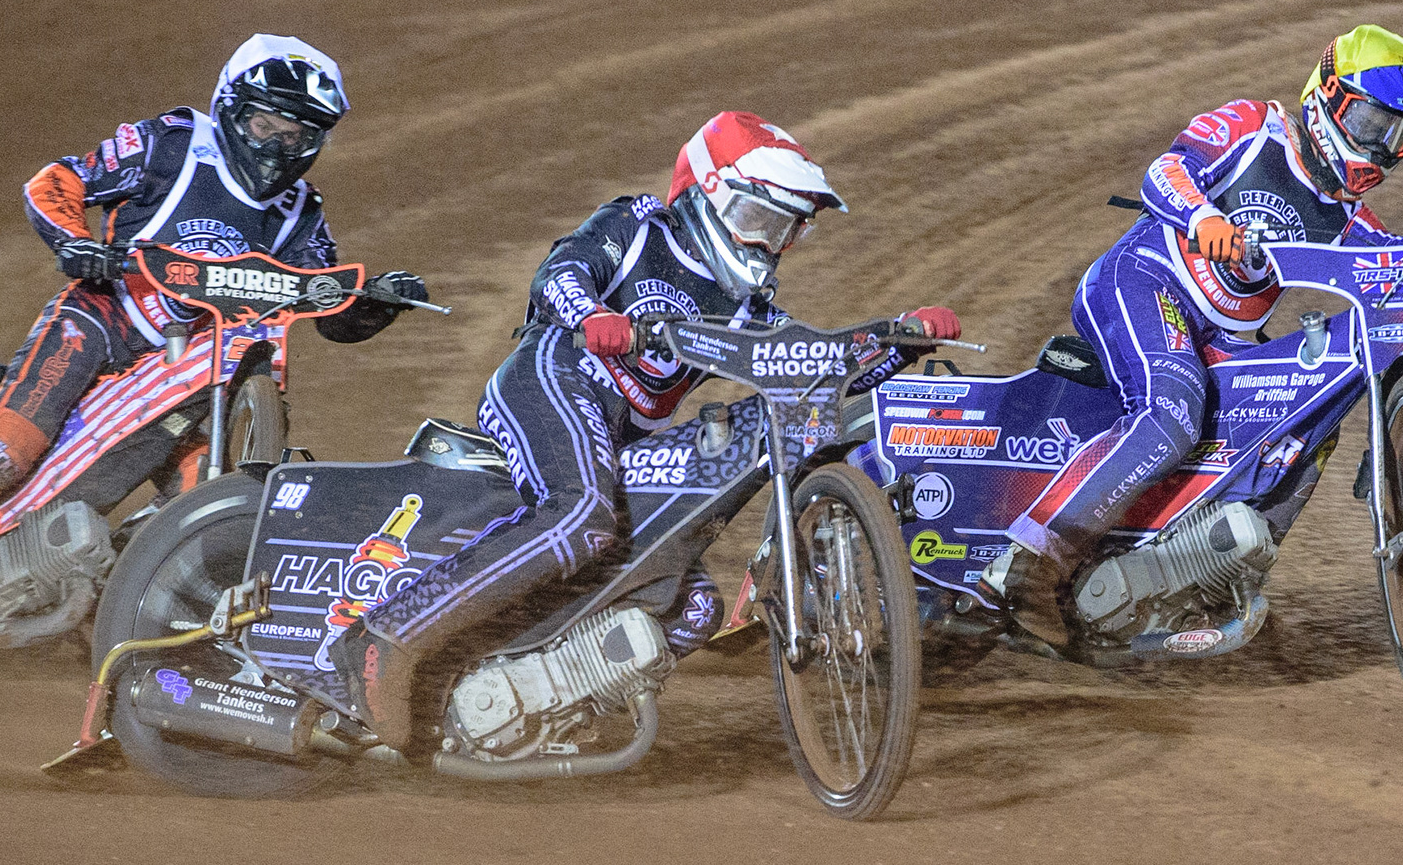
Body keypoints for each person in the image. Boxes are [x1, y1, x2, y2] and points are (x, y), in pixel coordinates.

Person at [329, 111, 962, 752]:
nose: (766, 245)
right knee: (582, 514)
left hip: (621, 437)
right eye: (756, 220)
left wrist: (893, 340)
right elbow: (560, 272)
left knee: (688, 605)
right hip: (551, 377)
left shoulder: (748, 309)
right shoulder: (638, 228)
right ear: (705, 194)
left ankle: (523, 705)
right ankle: (387, 638)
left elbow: (813, 365)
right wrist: (595, 315)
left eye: (784, 231)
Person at [0, 33, 428, 641]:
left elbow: (326, 307)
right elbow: (59, 180)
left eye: (301, 134)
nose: (282, 146)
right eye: (270, 126)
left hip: (190, 374)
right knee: (2, 453)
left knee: (201, 510)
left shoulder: (301, 210)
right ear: (232, 109)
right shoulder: (172, 144)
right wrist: (75, 243)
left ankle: (127, 631)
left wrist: (379, 302)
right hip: (100, 322)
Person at [978, 24, 1403, 646]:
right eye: (1373, 125)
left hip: (1225, 336)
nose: (1381, 150)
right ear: (1328, 96)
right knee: (1174, 412)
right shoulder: (1255, 127)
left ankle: (1211, 575)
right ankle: (1027, 564)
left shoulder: (1350, 219)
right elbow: (1167, 169)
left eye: (1401, 138)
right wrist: (1203, 218)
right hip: (1142, 281)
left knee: (1303, 423)